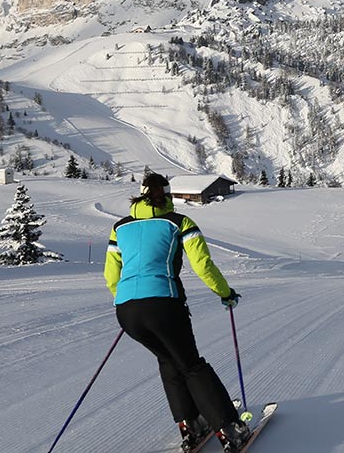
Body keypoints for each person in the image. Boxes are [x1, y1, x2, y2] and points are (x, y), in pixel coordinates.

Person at [105, 173, 249, 452]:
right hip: (164, 305)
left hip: (126, 311)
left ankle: (191, 424)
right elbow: (203, 266)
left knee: (169, 361)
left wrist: (128, 301)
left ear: (140, 195)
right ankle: (230, 430)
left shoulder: (119, 228)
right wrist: (225, 293)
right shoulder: (179, 222)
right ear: (168, 195)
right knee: (192, 366)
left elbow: (111, 276)